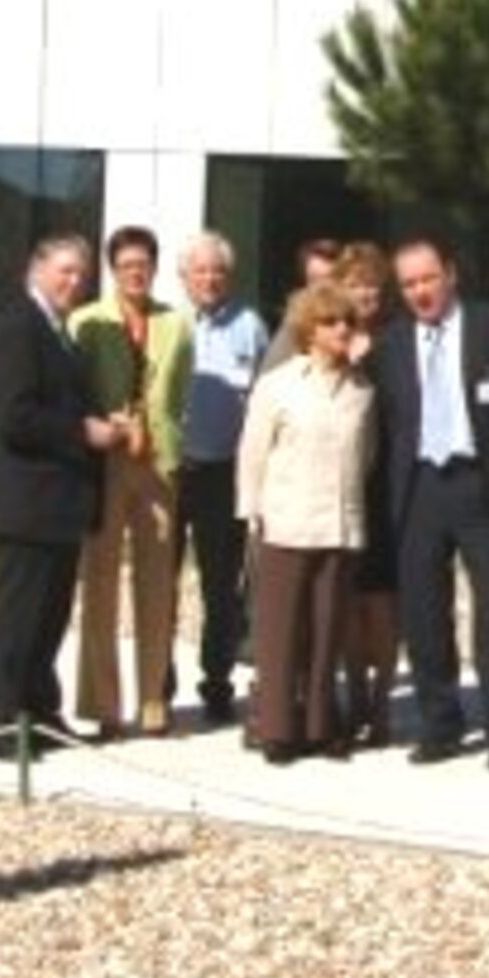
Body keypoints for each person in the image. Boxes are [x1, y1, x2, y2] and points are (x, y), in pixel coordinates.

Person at [374, 236, 489, 771]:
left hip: (481, 483)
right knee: (424, 615)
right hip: (419, 487)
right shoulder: (391, 342)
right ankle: (439, 725)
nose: (420, 291)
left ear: (450, 275)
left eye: (428, 279)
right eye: (409, 284)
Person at [0, 237, 119, 762]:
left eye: (81, 274)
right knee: (17, 616)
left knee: (49, 615)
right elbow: (16, 417)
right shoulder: (19, 327)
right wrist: (84, 431)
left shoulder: (61, 333)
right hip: (27, 501)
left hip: (59, 504)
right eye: (64, 271)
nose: (73, 282)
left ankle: (36, 711)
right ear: (35, 270)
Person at [236, 283, 376, 764]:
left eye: (348, 322)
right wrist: (250, 511)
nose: (342, 330)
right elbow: (253, 452)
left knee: (326, 631)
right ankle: (276, 727)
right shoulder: (278, 384)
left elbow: (368, 454)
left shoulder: (361, 390)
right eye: (331, 322)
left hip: (340, 526)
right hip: (285, 523)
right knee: (280, 632)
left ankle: (320, 724)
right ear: (309, 330)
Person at [71, 225, 194, 740]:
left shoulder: (177, 325)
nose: (135, 273)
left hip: (156, 464)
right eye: (125, 266)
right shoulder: (86, 321)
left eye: (143, 263)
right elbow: (74, 394)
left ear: (155, 266)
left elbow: (179, 395)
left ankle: (152, 704)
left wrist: (160, 439)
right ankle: (102, 706)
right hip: (105, 463)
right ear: (112, 269)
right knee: (98, 585)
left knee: (156, 585)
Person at [174, 230, 270, 724]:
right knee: (160, 583)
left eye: (217, 271)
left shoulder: (250, 326)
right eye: (200, 271)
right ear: (184, 277)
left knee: (220, 588)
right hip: (171, 473)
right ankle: (159, 683)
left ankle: (216, 681)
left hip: (223, 473)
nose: (209, 279)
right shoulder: (169, 324)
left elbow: (266, 398)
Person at [333, 243, 398, 746]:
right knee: (348, 597)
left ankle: (382, 702)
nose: (365, 293)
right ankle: (353, 693)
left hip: (390, 485)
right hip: (341, 483)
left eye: (373, 284)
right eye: (355, 284)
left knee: (383, 601)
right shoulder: (327, 339)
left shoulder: (397, 340)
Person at [259, 239, 342, 375]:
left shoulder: (355, 321)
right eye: (315, 280)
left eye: (329, 279)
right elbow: (270, 373)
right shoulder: (296, 322)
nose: (322, 287)